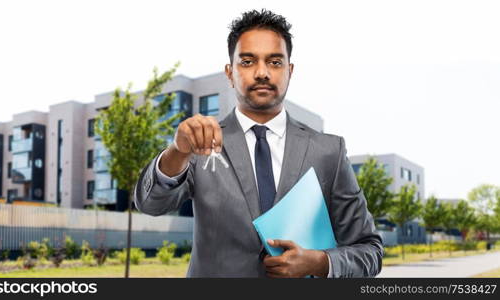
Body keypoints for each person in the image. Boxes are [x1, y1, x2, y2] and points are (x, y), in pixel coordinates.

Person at [134, 9, 383, 278]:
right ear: (229, 73)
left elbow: (369, 250)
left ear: (290, 70)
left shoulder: (328, 152)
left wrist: (320, 263)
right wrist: (177, 151)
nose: (262, 73)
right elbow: (151, 205)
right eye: (248, 61)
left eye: (275, 62)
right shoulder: (199, 143)